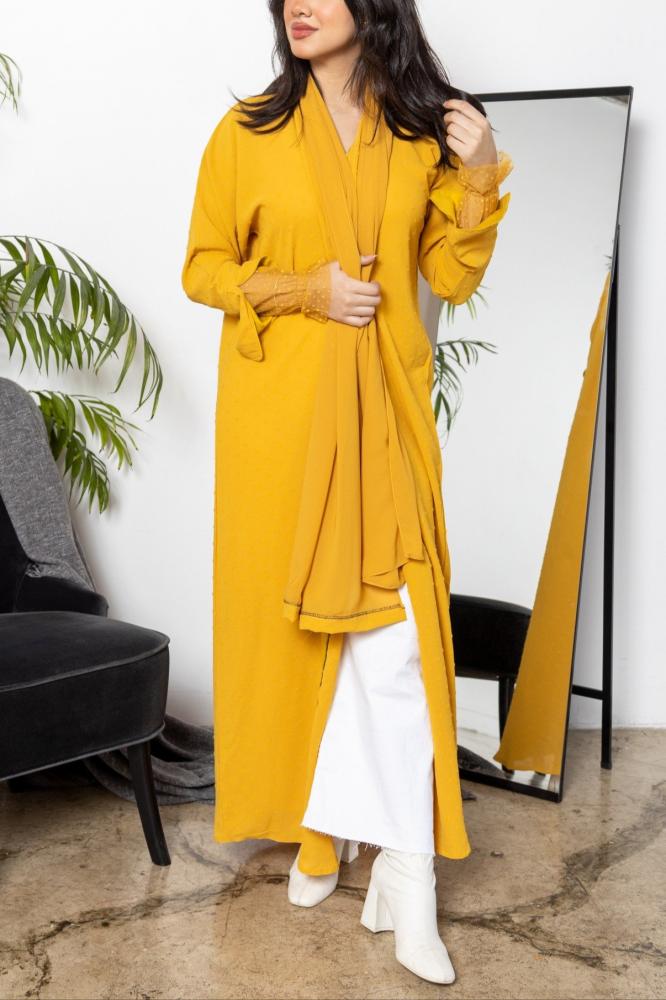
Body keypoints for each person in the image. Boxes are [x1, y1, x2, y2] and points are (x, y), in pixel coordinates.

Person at [182, 0, 513, 986]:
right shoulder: (245, 133)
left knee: (396, 645)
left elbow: (449, 276)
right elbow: (203, 269)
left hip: (388, 418)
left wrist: (482, 172)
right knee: (310, 641)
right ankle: (326, 835)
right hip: (280, 426)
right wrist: (306, 291)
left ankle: (408, 876)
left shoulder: (418, 136)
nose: (299, 5)